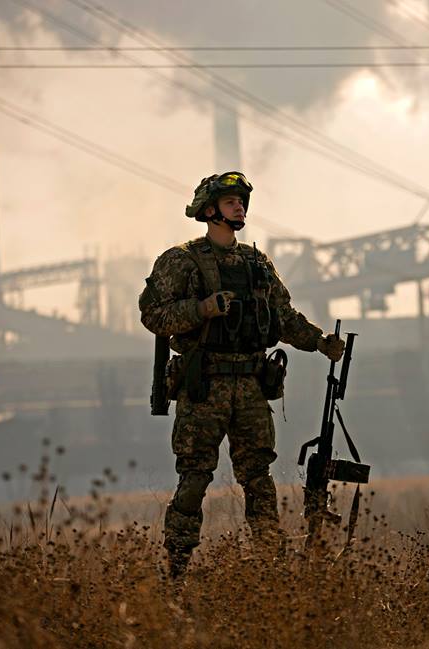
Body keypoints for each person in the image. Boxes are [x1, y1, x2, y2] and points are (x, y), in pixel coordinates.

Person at [138, 171, 345, 577]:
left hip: (251, 386)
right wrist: (201, 310)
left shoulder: (256, 264)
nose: (240, 207)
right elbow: (152, 315)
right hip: (204, 385)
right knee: (195, 476)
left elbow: (282, 317)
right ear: (209, 210)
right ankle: (177, 567)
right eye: (231, 201)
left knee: (259, 477)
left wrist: (321, 342)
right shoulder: (180, 261)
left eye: (242, 201)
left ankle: (270, 562)